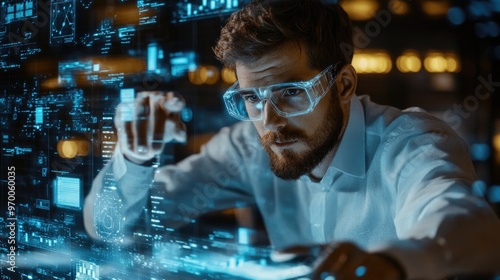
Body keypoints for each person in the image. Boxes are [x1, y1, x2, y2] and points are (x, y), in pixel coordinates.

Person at [84, 0, 500, 279]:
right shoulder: (246, 148)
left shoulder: (410, 143)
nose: (269, 122)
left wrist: (391, 265)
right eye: (251, 97)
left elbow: (475, 230)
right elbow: (111, 226)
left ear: (343, 86)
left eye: (290, 92)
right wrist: (135, 158)